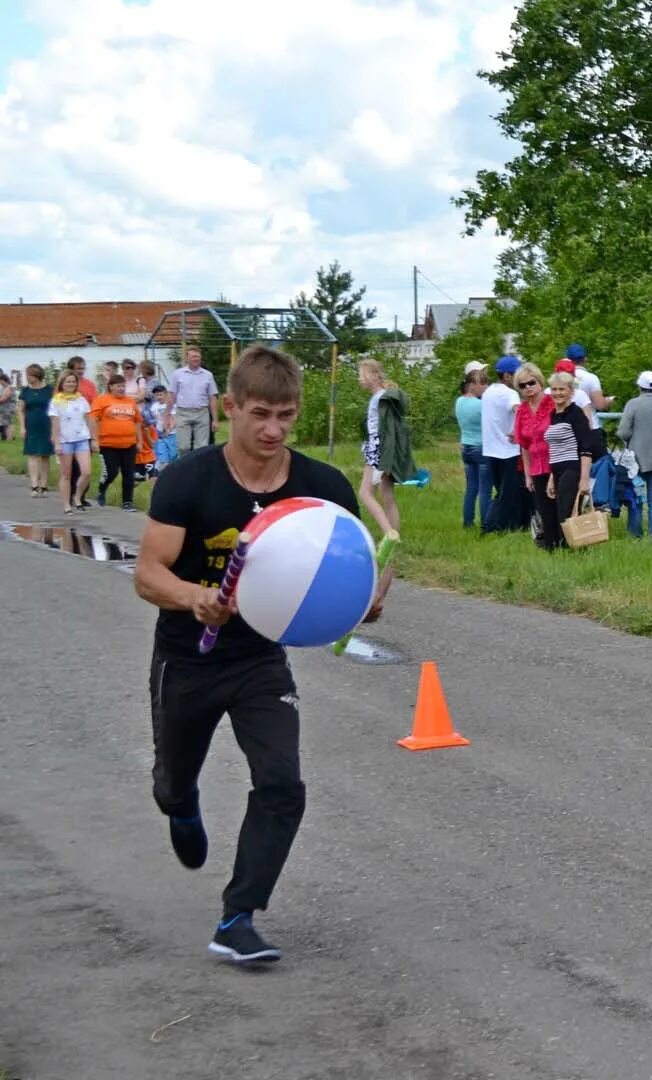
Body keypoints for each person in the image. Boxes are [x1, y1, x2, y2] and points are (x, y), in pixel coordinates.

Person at [134, 344, 387, 965]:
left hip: (258, 661)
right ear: (230, 408)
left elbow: (339, 566)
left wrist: (362, 598)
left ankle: (238, 916)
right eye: (260, 414)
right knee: (171, 785)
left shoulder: (320, 487)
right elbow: (147, 574)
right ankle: (181, 802)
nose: (274, 429)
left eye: (287, 415)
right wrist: (195, 597)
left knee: (282, 783)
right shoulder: (190, 479)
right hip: (187, 657)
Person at [356, 358, 417, 538]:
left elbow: (384, 432)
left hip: (377, 451)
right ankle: (393, 537)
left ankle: (388, 533)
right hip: (382, 451)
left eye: (362, 374)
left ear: (374, 376)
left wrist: (377, 454)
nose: (360, 379)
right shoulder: (383, 397)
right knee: (387, 495)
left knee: (365, 494)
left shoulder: (380, 399)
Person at [615, 370, 652, 538]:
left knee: (636, 499)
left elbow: (623, 432)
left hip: (636, 461)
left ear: (639, 386)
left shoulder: (633, 404)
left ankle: (635, 534)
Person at [541, 372, 597, 549]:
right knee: (558, 511)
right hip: (556, 468)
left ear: (570, 391)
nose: (558, 393)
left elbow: (586, 448)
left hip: (572, 468)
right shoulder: (553, 415)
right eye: (555, 389)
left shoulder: (576, 414)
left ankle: (575, 549)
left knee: (568, 511)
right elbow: (553, 448)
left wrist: (584, 479)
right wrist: (551, 477)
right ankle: (564, 549)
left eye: (562, 389)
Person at [480, 355, 528, 534]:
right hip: (508, 451)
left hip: (491, 450)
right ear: (507, 376)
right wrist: (518, 430)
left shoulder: (488, 392)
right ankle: (489, 526)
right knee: (506, 493)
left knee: (501, 489)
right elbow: (519, 410)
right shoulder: (510, 394)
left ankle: (509, 526)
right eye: (516, 374)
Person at [512, 361, 555, 546]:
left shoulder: (552, 404)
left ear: (539, 382)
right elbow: (524, 444)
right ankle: (549, 545)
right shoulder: (522, 410)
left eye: (531, 383)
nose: (528, 388)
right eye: (523, 385)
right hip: (537, 466)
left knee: (559, 506)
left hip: (556, 463)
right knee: (543, 507)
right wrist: (528, 475)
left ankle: (565, 543)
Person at [90, 372, 144, 511]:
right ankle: (102, 489)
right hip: (108, 444)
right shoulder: (102, 400)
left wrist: (139, 441)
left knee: (129, 473)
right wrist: (94, 440)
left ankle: (127, 502)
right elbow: (93, 419)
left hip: (129, 443)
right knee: (111, 472)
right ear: (111, 387)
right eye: (118, 386)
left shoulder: (130, 401)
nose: (121, 389)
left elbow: (137, 422)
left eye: (123, 386)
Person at [48, 370, 94, 514]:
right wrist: (56, 443)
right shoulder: (56, 401)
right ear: (62, 383)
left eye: (73, 381)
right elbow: (55, 424)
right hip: (65, 440)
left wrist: (93, 439)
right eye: (68, 381)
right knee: (66, 474)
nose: (71, 384)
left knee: (86, 472)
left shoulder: (81, 399)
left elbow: (89, 420)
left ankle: (78, 497)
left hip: (81, 438)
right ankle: (66, 505)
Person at [456, 362, 492, 529]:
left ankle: (468, 521)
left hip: (466, 446)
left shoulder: (459, 402)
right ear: (472, 385)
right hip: (481, 447)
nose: (485, 387)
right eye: (482, 384)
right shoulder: (480, 405)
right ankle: (486, 522)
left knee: (471, 488)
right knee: (485, 489)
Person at [170, 346, 220, 453]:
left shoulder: (208, 375)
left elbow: (212, 397)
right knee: (183, 447)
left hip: (202, 413)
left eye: (197, 356)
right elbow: (172, 396)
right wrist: (167, 415)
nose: (196, 359)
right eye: (193, 356)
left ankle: (198, 469)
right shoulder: (177, 374)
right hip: (183, 413)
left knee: (201, 448)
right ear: (187, 358)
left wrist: (215, 420)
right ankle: (185, 468)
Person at [19, 365, 53, 497]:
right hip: (31, 424)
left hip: (46, 424)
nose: (27, 377)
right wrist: (22, 427)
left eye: (29, 375)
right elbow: (21, 410)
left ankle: (44, 485)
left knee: (45, 455)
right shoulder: (25, 391)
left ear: (36, 375)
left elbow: (54, 408)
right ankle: (34, 485)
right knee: (32, 454)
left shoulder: (49, 390)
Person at [566, 343, 612, 427]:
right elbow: (600, 405)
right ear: (585, 359)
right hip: (589, 425)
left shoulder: (560, 378)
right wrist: (609, 400)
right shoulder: (591, 378)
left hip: (566, 426)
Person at [0, 371, 15, 441]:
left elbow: (3, 399)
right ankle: (8, 437)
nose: (0, 383)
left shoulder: (8, 388)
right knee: (6, 423)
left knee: (8, 424)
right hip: (5, 408)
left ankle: (9, 438)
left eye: (0, 381)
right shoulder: (5, 388)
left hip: (8, 408)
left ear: (3, 380)